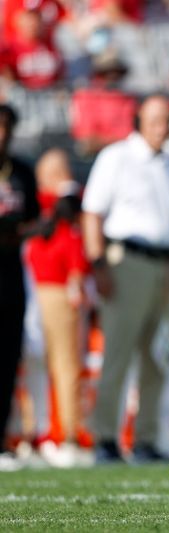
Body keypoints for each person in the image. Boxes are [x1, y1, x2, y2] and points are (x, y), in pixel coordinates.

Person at [83, 95, 169, 463]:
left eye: (167, 119)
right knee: (118, 354)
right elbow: (92, 214)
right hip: (127, 261)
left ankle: (146, 438)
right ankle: (104, 438)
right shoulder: (117, 158)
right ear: (140, 121)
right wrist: (99, 265)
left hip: (167, 267)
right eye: (156, 119)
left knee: (157, 357)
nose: (163, 127)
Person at [24, 149, 88, 467]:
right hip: (35, 286)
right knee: (40, 363)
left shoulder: (65, 202)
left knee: (61, 364)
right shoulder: (38, 200)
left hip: (53, 286)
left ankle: (64, 433)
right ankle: (38, 432)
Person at [0, 104, 39, 471]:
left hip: (11, 272)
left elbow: (34, 225)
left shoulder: (23, 172)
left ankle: (2, 439)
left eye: (6, 127)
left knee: (9, 357)